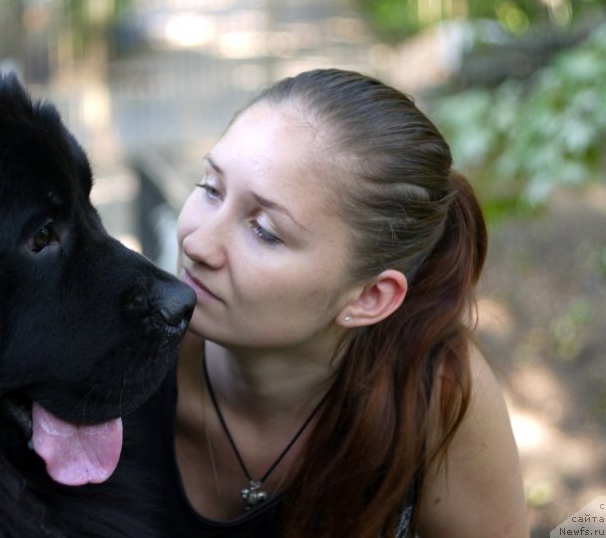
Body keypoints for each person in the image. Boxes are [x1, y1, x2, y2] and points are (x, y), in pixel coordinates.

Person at [122, 68, 528, 537]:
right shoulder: (112, 350)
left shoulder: (434, 389)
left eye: (264, 231)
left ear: (370, 297)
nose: (197, 244)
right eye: (211, 189)